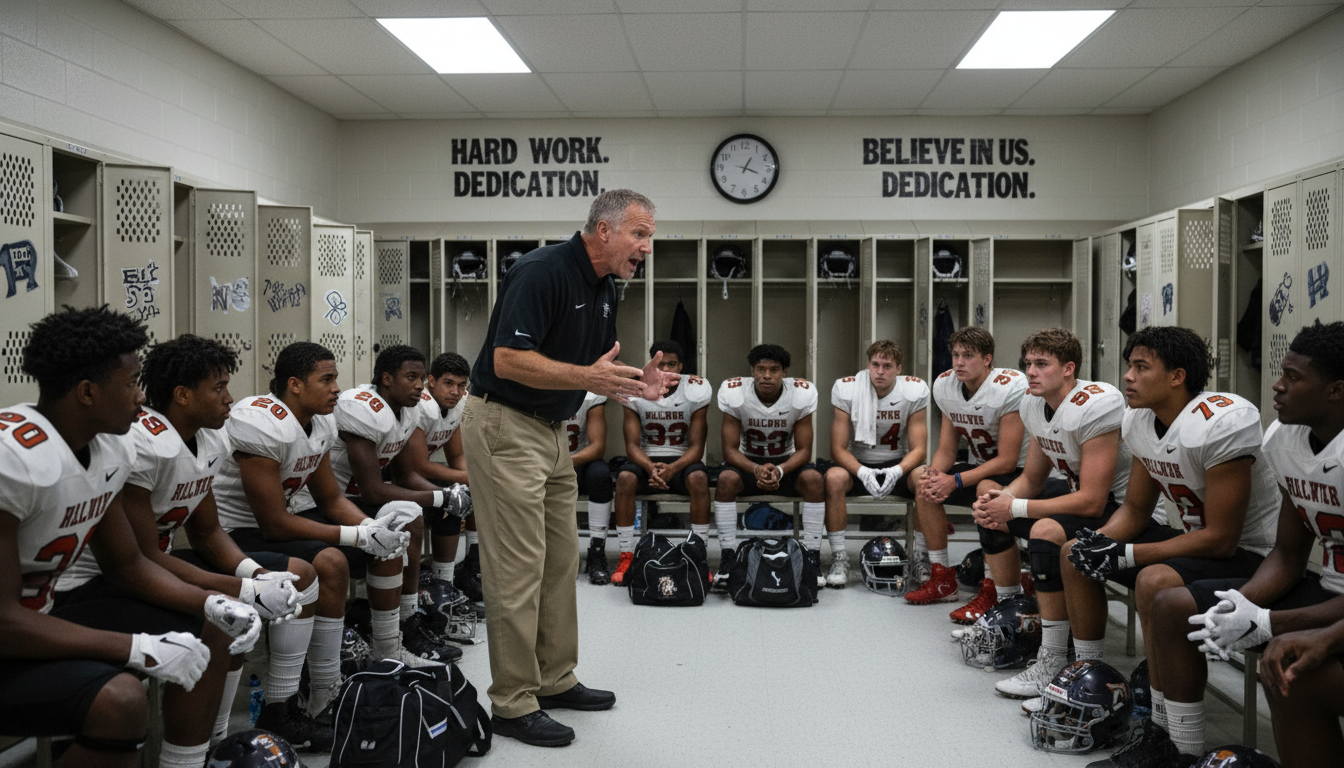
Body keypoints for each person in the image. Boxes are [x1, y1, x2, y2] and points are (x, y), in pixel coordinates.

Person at [0, 306, 261, 768]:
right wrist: (136, 647)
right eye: (131, 383)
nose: (142, 398)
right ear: (87, 392)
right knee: (120, 702)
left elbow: (129, 565)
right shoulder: (14, 459)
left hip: (46, 612)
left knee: (212, 630)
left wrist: (212, 602)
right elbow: (4, 621)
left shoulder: (110, 445)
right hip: (17, 628)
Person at [462, 189, 670, 748]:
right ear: (604, 231)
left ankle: (553, 679)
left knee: (560, 559)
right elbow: (509, 359)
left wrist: (635, 383)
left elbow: (594, 369)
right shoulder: (541, 271)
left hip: (552, 431)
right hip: (506, 424)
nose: (647, 247)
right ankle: (511, 701)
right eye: (640, 234)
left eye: (649, 236)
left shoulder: (604, 286)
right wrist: (591, 379)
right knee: (517, 565)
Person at [55, 335, 324, 749]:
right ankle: (200, 752)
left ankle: (228, 737)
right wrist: (240, 591)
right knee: (219, 622)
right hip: (86, 585)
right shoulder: (140, 444)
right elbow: (136, 560)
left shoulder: (210, 439)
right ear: (182, 395)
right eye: (218, 388)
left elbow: (207, 532)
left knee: (259, 595)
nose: (229, 399)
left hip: (146, 566)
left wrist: (253, 575)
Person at [1052, 327, 1278, 763]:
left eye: (1141, 367)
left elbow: (1222, 538)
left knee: (1154, 581)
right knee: (1073, 553)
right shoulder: (1140, 419)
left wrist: (1128, 554)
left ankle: (1173, 741)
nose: (1127, 377)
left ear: (1177, 376)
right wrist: (1101, 543)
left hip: (1251, 555)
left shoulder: (1218, 422)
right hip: (1195, 543)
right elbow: (1136, 511)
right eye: (1129, 366)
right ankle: (1090, 678)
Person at [1152, 321, 1344, 767]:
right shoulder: (1284, 437)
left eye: (1294, 378)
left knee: (1291, 672)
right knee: (1178, 604)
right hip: (1330, 590)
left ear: (1335, 390)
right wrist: (1241, 604)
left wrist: (1269, 621)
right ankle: (1179, 749)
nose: (1276, 386)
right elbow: (1289, 553)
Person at [213, 341, 430, 725]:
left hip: (277, 522)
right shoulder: (262, 421)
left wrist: (370, 528)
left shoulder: (322, 421)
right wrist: (355, 537)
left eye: (335, 379)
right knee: (330, 562)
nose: (336, 388)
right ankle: (297, 700)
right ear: (294, 385)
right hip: (236, 532)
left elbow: (330, 498)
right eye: (326, 379)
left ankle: (378, 657)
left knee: (389, 540)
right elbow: (273, 523)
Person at [969, 327, 1132, 700]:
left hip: (1120, 508)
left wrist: (1016, 507)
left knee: (1043, 529)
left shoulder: (1097, 402)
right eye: (1028, 364)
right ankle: (1010, 613)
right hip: (1082, 497)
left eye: (1042, 364)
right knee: (988, 495)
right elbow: (1031, 477)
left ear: (1069, 369)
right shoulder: (1032, 402)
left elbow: (1093, 500)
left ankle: (1057, 659)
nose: (1031, 372)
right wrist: (1002, 501)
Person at [318, 344, 467, 663]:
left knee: (413, 512)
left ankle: (408, 620)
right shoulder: (361, 407)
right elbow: (372, 491)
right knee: (409, 517)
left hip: (353, 500)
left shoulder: (408, 409)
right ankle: (398, 629)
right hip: (334, 503)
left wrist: (449, 497)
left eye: (419, 378)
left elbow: (406, 474)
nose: (418, 385)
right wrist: (439, 496)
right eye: (410, 377)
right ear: (387, 379)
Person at [906, 327, 1027, 615]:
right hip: (979, 467)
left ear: (987, 360)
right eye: (956, 355)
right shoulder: (946, 385)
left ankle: (992, 587)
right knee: (923, 481)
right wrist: (935, 476)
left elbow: (1007, 461)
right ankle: (942, 578)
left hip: (1019, 472)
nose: (959, 362)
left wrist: (955, 480)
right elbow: (947, 450)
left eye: (968, 356)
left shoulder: (1008, 387)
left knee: (986, 490)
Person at [715, 343, 824, 586]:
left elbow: (805, 450)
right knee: (725, 480)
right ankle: (728, 556)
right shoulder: (734, 392)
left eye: (774, 370)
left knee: (814, 480)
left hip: (786, 463)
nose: (767, 375)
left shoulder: (801, 394)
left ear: (784, 372)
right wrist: (755, 469)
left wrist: (782, 469)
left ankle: (812, 556)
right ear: (751, 371)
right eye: (761, 369)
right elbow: (729, 450)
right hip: (747, 463)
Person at [825, 340, 928, 589]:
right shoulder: (847, 389)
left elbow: (920, 450)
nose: (880, 371)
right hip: (859, 463)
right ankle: (839, 557)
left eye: (887, 366)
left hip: (897, 462)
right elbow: (837, 449)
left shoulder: (913, 391)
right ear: (867, 365)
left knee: (926, 477)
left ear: (898, 369)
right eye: (875, 364)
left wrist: (897, 470)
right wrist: (861, 471)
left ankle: (923, 558)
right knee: (833, 478)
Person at [610, 341, 712, 585]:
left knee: (699, 478)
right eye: (661, 363)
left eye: (672, 364)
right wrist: (650, 467)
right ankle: (626, 554)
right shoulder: (637, 388)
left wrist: (672, 468)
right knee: (624, 478)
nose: (666, 369)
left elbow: (697, 447)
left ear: (682, 366)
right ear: (651, 363)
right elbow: (632, 445)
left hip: (681, 460)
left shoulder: (696, 389)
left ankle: (700, 555)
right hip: (647, 458)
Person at [397, 352, 471, 585]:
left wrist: (471, 480)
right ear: (431, 381)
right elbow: (419, 465)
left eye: (461, 385)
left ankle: (461, 573)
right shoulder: (421, 407)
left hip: (416, 475)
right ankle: (439, 583)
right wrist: (466, 478)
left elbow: (457, 455)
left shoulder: (457, 406)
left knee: (472, 491)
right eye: (448, 384)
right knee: (450, 500)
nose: (455, 392)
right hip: (394, 477)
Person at [563, 392, 612, 584]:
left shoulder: (589, 396)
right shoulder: (540, 388)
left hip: (579, 459)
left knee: (600, 474)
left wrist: (567, 462)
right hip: (546, 460)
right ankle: (555, 552)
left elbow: (598, 446)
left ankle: (597, 550)